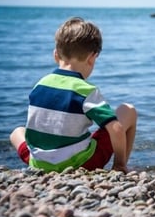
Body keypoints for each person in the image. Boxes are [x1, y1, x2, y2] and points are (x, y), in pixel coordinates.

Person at [10, 17, 137, 173]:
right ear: (92, 58)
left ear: (55, 55)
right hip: (81, 165)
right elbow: (116, 129)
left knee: (17, 132)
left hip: (38, 164)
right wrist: (119, 162)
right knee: (128, 110)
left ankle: (46, 160)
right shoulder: (86, 90)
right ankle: (122, 166)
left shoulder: (40, 84)